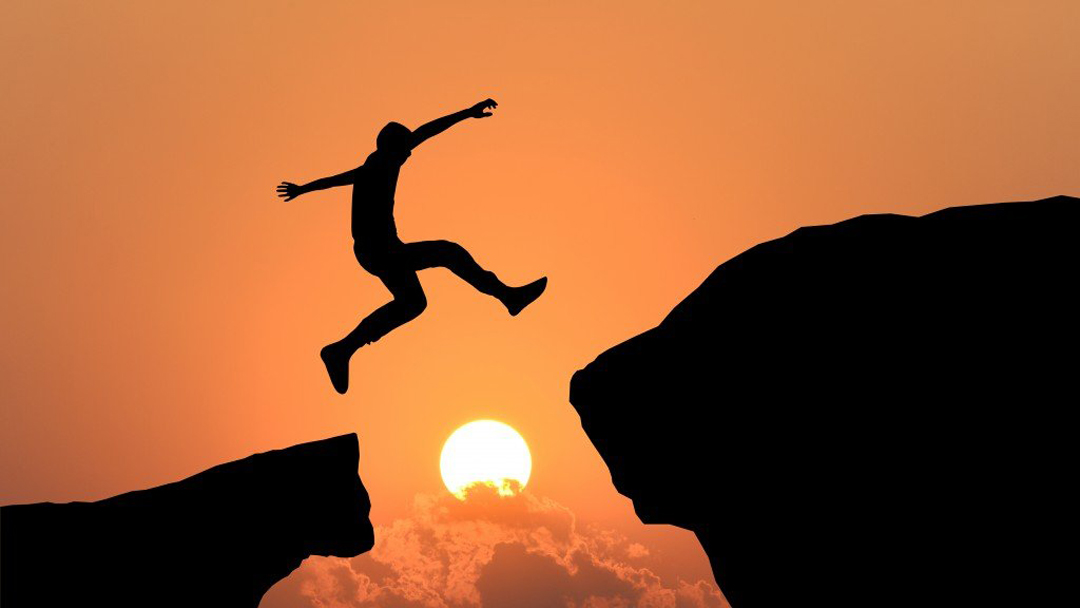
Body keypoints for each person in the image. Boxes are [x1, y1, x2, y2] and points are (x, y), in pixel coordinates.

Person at [277, 99, 547, 394]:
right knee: (449, 251)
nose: (408, 154)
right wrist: (304, 188)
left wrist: (468, 113)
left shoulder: (383, 160)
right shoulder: (379, 165)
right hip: (378, 250)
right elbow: (339, 179)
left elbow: (425, 132)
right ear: (391, 147)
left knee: (414, 303)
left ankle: (342, 350)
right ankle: (507, 296)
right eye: (404, 149)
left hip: (380, 251)